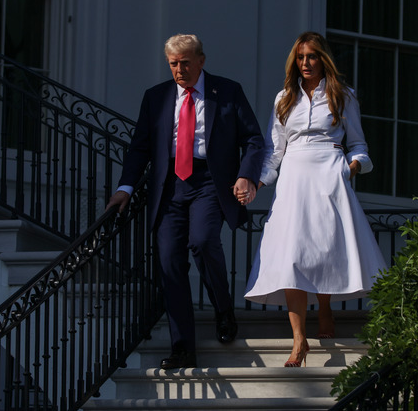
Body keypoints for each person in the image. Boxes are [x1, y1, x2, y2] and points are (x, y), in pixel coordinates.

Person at [107, 34, 265, 369]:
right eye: (173, 64)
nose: (179, 70)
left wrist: (246, 175)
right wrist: (125, 188)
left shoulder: (228, 91)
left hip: (210, 181)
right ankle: (183, 347)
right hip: (170, 186)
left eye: (186, 63)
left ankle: (223, 309)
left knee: (204, 240)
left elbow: (253, 138)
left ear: (201, 61)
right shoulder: (157, 97)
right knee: (169, 262)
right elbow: (140, 148)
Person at [242, 32, 387, 367]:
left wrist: (352, 167)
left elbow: (360, 146)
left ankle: (324, 307)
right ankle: (299, 339)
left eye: (312, 56)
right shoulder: (284, 98)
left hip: (329, 173)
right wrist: (257, 182)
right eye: (301, 57)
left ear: (324, 59)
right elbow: (273, 152)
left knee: (323, 247)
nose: (305, 63)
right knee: (294, 253)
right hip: (294, 176)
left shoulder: (342, 95)